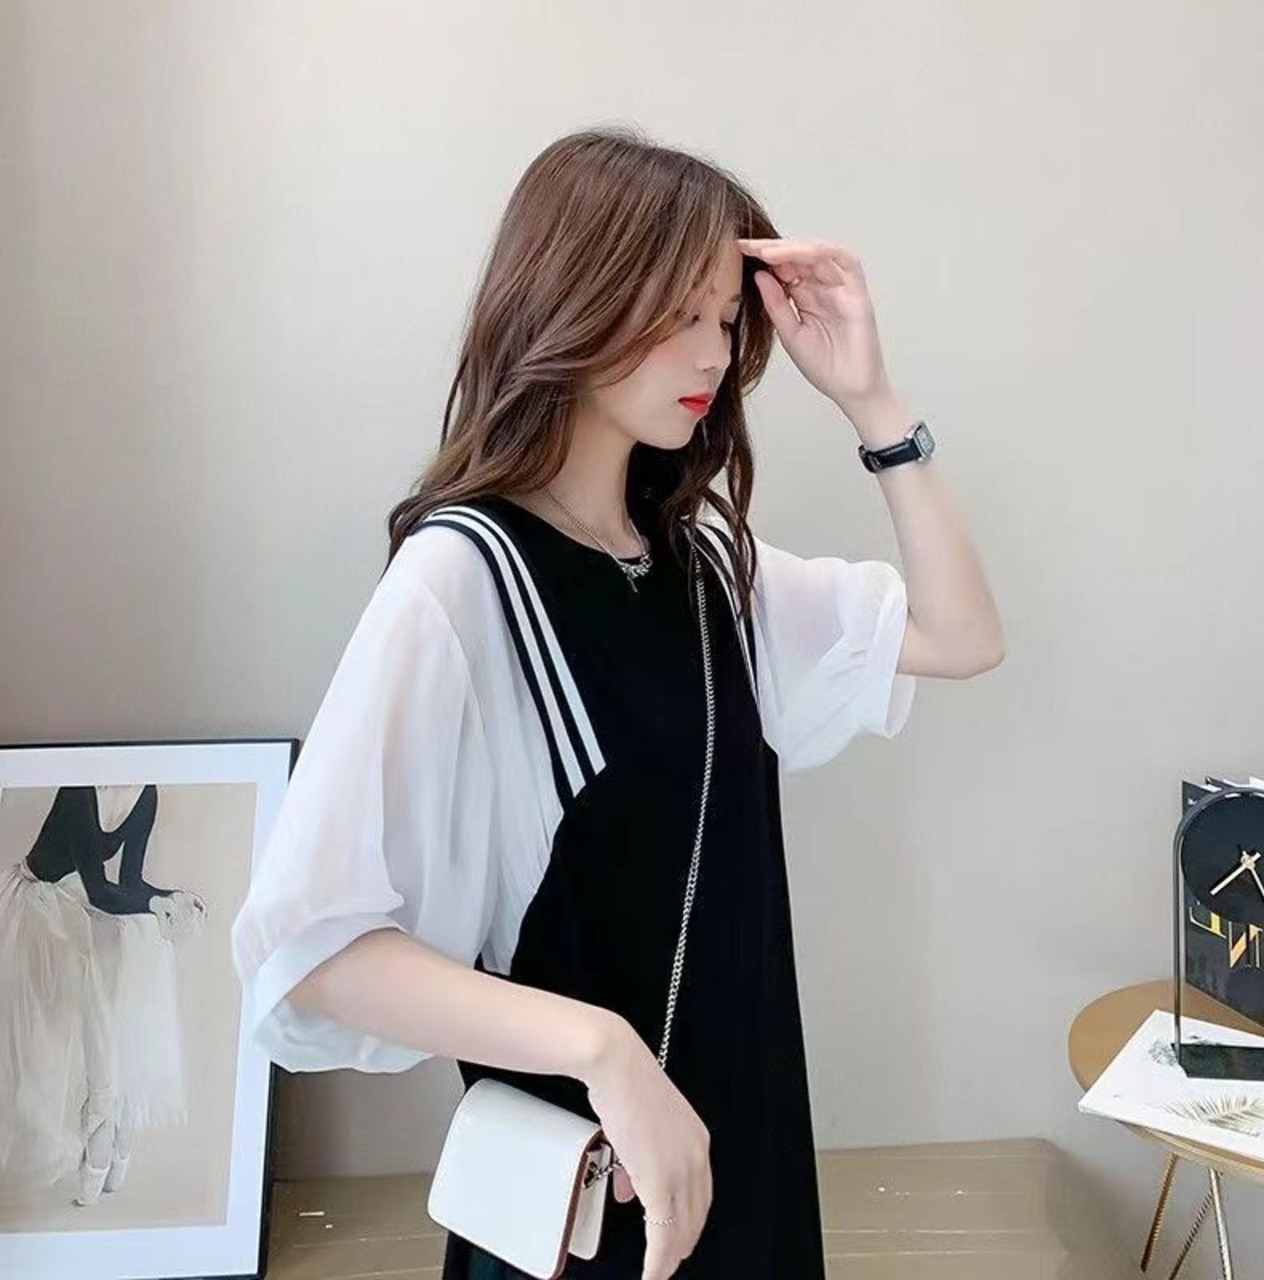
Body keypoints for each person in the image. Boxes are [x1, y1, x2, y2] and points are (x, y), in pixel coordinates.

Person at [230, 125, 1004, 1279]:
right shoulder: (466, 579)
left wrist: (872, 399)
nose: (712, 351)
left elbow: (960, 634)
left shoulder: (705, 572)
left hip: (742, 1160)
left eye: (725, 316)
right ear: (574, 297)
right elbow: (311, 948)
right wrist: (602, 1047)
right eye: (677, 311)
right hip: (582, 1200)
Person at [0, 784, 204, 1207]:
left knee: (140, 944)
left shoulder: (146, 794)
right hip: (34, 903)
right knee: (54, 1027)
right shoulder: (78, 791)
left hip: (71, 901)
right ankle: (102, 1113)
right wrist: (157, 905)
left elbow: (130, 882)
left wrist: (171, 897)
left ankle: (112, 1112)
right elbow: (99, 891)